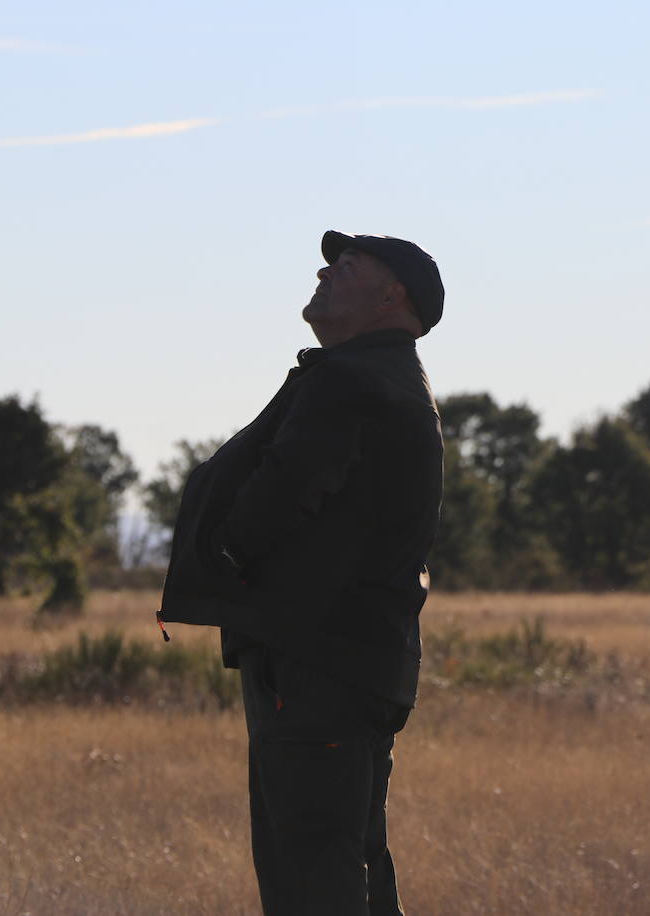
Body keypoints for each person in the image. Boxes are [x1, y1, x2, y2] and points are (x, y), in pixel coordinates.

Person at [157, 230, 445, 915]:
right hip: (353, 661)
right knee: (351, 859)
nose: (324, 272)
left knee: (310, 872)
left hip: (316, 662)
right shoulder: (387, 378)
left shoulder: (351, 380)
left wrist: (225, 555)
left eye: (346, 266)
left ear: (391, 295)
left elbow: (289, 485)